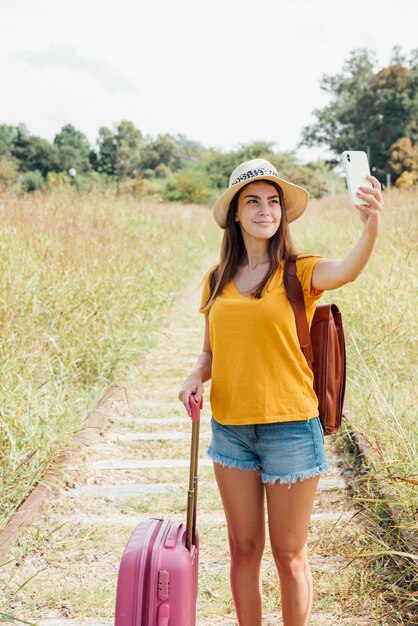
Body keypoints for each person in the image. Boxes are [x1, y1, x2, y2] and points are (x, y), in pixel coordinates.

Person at [178, 158, 383, 626]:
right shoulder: (217, 279)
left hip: (290, 427)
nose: (265, 210)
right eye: (253, 201)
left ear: (282, 213)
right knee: (243, 549)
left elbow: (348, 270)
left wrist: (370, 228)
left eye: (273, 202)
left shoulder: (299, 270)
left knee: (289, 555)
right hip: (230, 430)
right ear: (235, 212)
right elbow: (210, 352)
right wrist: (194, 376)